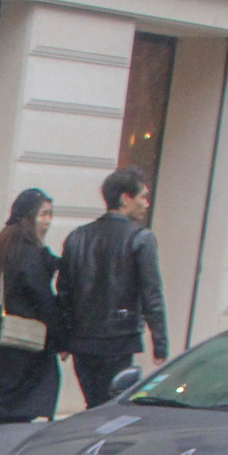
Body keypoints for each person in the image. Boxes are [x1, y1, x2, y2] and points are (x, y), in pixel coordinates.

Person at [58, 166, 171, 409]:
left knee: (92, 403)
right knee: (112, 405)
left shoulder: (77, 237)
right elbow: (152, 293)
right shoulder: (141, 238)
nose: (146, 204)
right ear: (125, 198)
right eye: (142, 197)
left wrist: (64, 338)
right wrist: (160, 344)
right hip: (119, 339)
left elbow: (65, 292)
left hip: (83, 340)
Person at [0, 189, 63, 424]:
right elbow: (41, 295)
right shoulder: (28, 252)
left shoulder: (5, 244)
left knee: (9, 410)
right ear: (29, 217)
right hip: (25, 345)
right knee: (22, 407)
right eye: (43, 214)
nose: (48, 221)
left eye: (50, 214)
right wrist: (60, 333)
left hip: (2, 341)